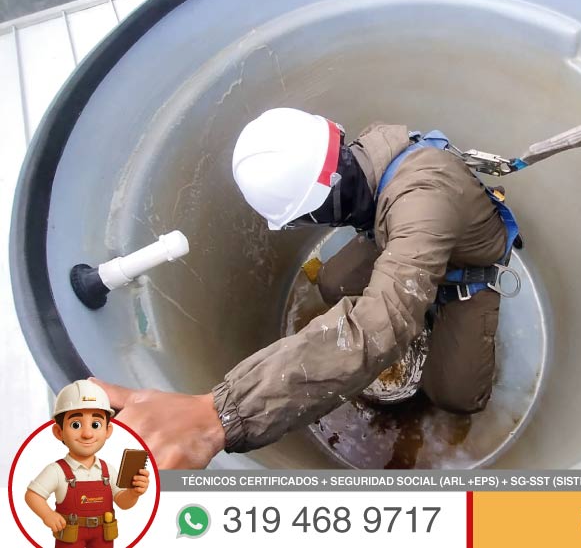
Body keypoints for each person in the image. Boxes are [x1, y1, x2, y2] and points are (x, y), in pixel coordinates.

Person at [91, 107, 516, 468]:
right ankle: (413, 297)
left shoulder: (422, 204)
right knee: (334, 282)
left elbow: (379, 325)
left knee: (456, 395)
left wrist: (218, 415)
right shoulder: (367, 153)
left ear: (325, 204)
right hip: (404, 238)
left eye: (305, 218)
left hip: (465, 273)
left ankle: (431, 310)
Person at [25, 380, 150, 547]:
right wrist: (48, 515)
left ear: (108, 431)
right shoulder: (57, 471)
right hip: (70, 534)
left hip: (103, 535)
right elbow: (33, 495)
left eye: (96, 424)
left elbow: (122, 502)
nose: (87, 433)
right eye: (76, 425)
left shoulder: (107, 470)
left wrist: (133, 493)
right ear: (59, 432)